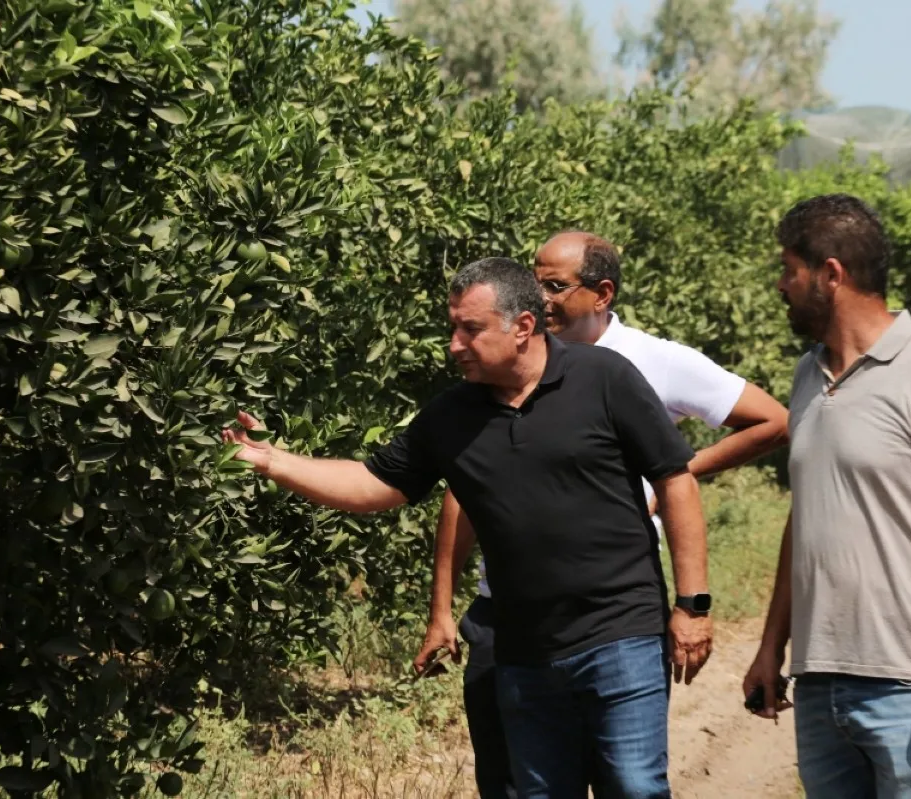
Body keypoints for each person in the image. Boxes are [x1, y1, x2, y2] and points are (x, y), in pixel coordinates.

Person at [222, 257, 712, 799]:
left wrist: (692, 605)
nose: (454, 344)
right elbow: (371, 484)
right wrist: (272, 462)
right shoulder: (451, 417)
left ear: (523, 326)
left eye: (470, 329)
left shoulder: (604, 378)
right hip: (523, 652)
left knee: (636, 788)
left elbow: (675, 482)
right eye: (452, 327)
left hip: (622, 634)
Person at [415, 232, 791, 797]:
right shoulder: (507, 367)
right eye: (533, 281)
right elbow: (466, 485)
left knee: (628, 782)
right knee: (515, 784)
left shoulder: (649, 363)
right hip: (507, 620)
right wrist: (442, 606)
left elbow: (772, 421)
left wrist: (671, 479)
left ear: (602, 293)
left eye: (555, 285)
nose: (538, 297)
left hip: (613, 617)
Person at [742, 194, 911, 799]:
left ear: (830, 274)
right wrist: (770, 648)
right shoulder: (808, 376)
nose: (781, 286)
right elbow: (804, 518)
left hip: (908, 684)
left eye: (789, 270)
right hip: (818, 682)